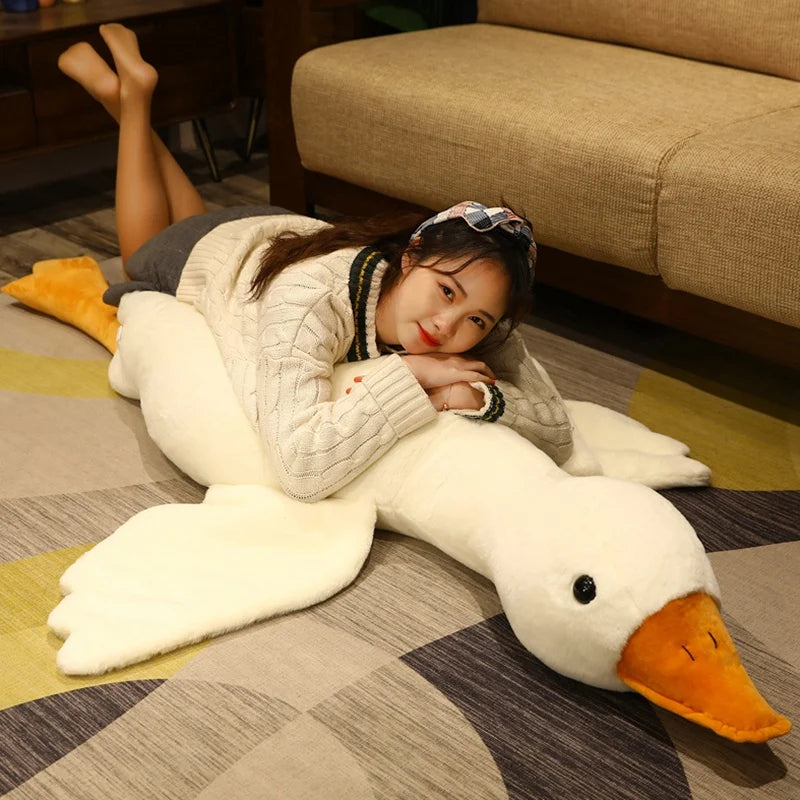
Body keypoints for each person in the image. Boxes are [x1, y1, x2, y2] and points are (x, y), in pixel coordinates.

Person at [58, 24, 574, 502]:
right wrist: (412, 376)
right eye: (445, 291)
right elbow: (301, 468)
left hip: (274, 233)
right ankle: (131, 100)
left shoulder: (478, 304)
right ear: (412, 255)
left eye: (476, 320)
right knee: (141, 253)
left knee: (194, 215)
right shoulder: (312, 301)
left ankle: (121, 94)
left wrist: (475, 398)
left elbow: (557, 431)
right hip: (217, 253)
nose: (447, 326)